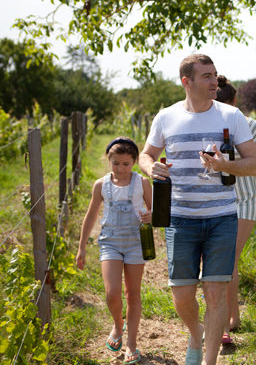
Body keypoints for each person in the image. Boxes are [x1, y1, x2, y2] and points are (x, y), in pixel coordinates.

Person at [138, 54, 256, 365]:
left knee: (216, 293)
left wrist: (223, 164)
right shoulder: (165, 117)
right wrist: (152, 168)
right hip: (180, 218)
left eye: (215, 75)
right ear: (186, 82)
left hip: (222, 217)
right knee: (181, 294)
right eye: (206, 76)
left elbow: (254, 163)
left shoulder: (232, 116)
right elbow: (145, 154)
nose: (214, 82)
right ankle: (196, 332)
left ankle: (209, 361)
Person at [76, 137, 152, 365]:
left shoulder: (143, 183)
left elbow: (157, 211)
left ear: (135, 162)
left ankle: (131, 343)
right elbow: (90, 216)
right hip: (110, 242)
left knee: (133, 293)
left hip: (136, 242)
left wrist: (152, 215)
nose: (120, 169)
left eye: (126, 164)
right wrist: (81, 248)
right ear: (109, 160)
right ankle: (118, 325)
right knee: (112, 293)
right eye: (116, 163)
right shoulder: (101, 185)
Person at [214, 75, 256, 345]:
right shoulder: (214, 125)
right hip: (220, 200)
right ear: (235, 100)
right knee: (225, 261)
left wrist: (245, 161)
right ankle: (231, 317)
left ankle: (225, 321)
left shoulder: (248, 126)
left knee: (229, 260)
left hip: (244, 200)